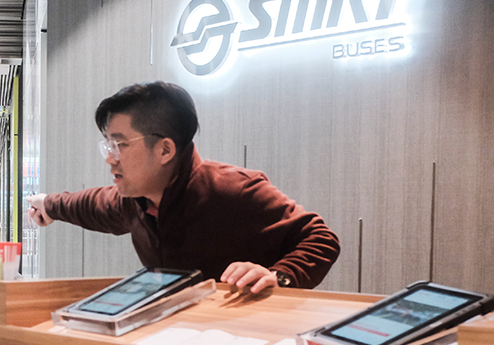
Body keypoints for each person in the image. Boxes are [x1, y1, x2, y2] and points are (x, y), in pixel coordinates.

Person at [26, 82, 340, 293]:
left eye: (119, 145)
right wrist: (48, 205)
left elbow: (320, 239)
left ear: (165, 150)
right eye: (107, 145)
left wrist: (278, 277)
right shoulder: (134, 200)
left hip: (244, 342)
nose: (110, 159)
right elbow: (88, 204)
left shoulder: (233, 190)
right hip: (182, 337)